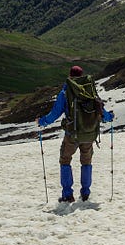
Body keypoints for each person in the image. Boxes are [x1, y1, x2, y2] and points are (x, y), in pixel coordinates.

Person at [37, 65, 115, 202]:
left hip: (72, 134)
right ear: (82, 76)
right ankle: (85, 193)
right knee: (86, 162)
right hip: (89, 134)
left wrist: (42, 122)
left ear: (70, 76)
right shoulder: (90, 91)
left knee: (65, 160)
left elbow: (55, 114)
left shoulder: (66, 92)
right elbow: (101, 111)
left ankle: (68, 194)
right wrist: (110, 117)